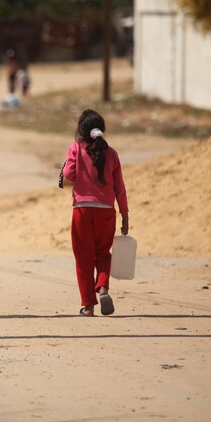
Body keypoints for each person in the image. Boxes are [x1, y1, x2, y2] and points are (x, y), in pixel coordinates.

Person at [61, 109, 129, 317]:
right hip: (107, 212)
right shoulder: (112, 154)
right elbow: (120, 188)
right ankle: (103, 289)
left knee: (84, 258)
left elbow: (68, 175)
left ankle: (88, 306)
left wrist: (67, 167)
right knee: (102, 254)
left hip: (82, 210)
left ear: (81, 130)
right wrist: (125, 216)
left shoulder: (76, 149)